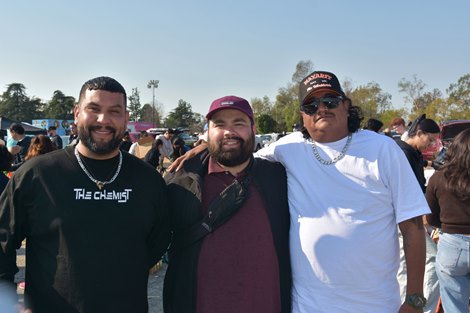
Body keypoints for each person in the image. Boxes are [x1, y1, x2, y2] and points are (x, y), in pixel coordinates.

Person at [169, 71, 430, 312]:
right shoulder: (288, 148)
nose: (322, 109)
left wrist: (415, 299)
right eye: (311, 105)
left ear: (346, 105)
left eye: (330, 100)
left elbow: (414, 227)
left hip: (375, 305)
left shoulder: (383, 150)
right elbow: (237, 150)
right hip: (307, 306)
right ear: (302, 114)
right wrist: (203, 148)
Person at [0, 76, 170, 313]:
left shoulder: (148, 180)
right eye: (94, 109)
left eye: (114, 111)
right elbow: (3, 242)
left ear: (126, 118)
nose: (104, 120)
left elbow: (156, 244)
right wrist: (7, 304)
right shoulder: (37, 175)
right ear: (77, 112)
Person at [163, 95, 291, 313]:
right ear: (208, 133)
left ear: (253, 128)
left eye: (238, 123)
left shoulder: (279, 176)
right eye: (219, 125)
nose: (229, 132)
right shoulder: (181, 181)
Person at [394, 115, 441, 313]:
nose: (431, 145)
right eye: (429, 140)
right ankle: (422, 306)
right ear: (419, 134)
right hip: (405, 221)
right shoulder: (402, 153)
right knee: (431, 259)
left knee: (406, 265)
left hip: (410, 219)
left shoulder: (412, 153)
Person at [425, 128, 470, 312]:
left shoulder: (439, 178)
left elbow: (429, 217)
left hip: (451, 245)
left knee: (454, 307)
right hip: (452, 242)